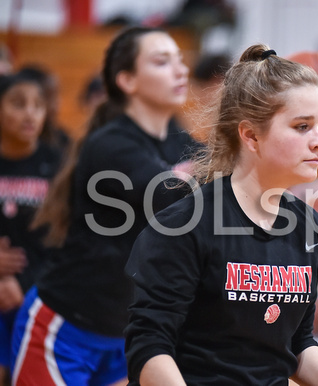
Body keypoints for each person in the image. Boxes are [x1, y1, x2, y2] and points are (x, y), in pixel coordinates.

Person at [124, 44, 318, 385]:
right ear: (251, 136)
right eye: (302, 126)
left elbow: (297, 344)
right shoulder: (184, 225)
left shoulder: (310, 228)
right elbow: (149, 349)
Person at [10, 26, 201, 385]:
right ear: (126, 80)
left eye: (181, 61)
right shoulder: (110, 145)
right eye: (162, 62)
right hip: (64, 329)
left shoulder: (183, 145)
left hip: (128, 337)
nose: (180, 70)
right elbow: (168, 195)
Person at [0, 72, 62, 385]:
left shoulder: (60, 164)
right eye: (18, 104)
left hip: (39, 292)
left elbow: (63, 243)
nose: (30, 114)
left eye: (38, 106)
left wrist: (21, 284)